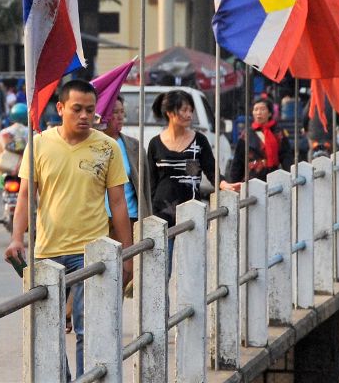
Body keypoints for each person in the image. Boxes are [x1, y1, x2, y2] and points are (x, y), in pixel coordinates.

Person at [4, 79, 134, 379]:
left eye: (91, 110)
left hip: (92, 251)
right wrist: (16, 238)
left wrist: (127, 254)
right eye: (77, 109)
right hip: (47, 251)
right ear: (61, 108)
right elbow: (25, 196)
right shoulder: (40, 144)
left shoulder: (107, 147)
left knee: (88, 328)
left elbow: (118, 203)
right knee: (47, 330)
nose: (85, 116)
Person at [147, 91, 234, 272]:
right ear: (170, 113)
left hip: (192, 211)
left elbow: (211, 170)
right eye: (184, 110)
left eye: (190, 110)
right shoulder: (155, 143)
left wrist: (224, 184)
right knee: (162, 271)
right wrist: (150, 214)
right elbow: (151, 182)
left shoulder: (199, 140)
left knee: (192, 271)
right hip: (162, 214)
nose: (189, 115)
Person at [101, 97, 150, 235]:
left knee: (128, 254)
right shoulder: (91, 145)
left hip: (130, 217)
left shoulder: (134, 146)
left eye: (122, 112)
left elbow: (145, 188)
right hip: (99, 219)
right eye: (115, 112)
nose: (120, 116)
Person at [229, 98, 293, 182]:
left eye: (262, 109)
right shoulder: (247, 134)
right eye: (256, 109)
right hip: (253, 179)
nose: (259, 113)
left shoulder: (278, 132)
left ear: (270, 113)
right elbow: (238, 160)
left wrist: (289, 175)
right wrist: (234, 182)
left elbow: (286, 156)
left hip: (273, 177)